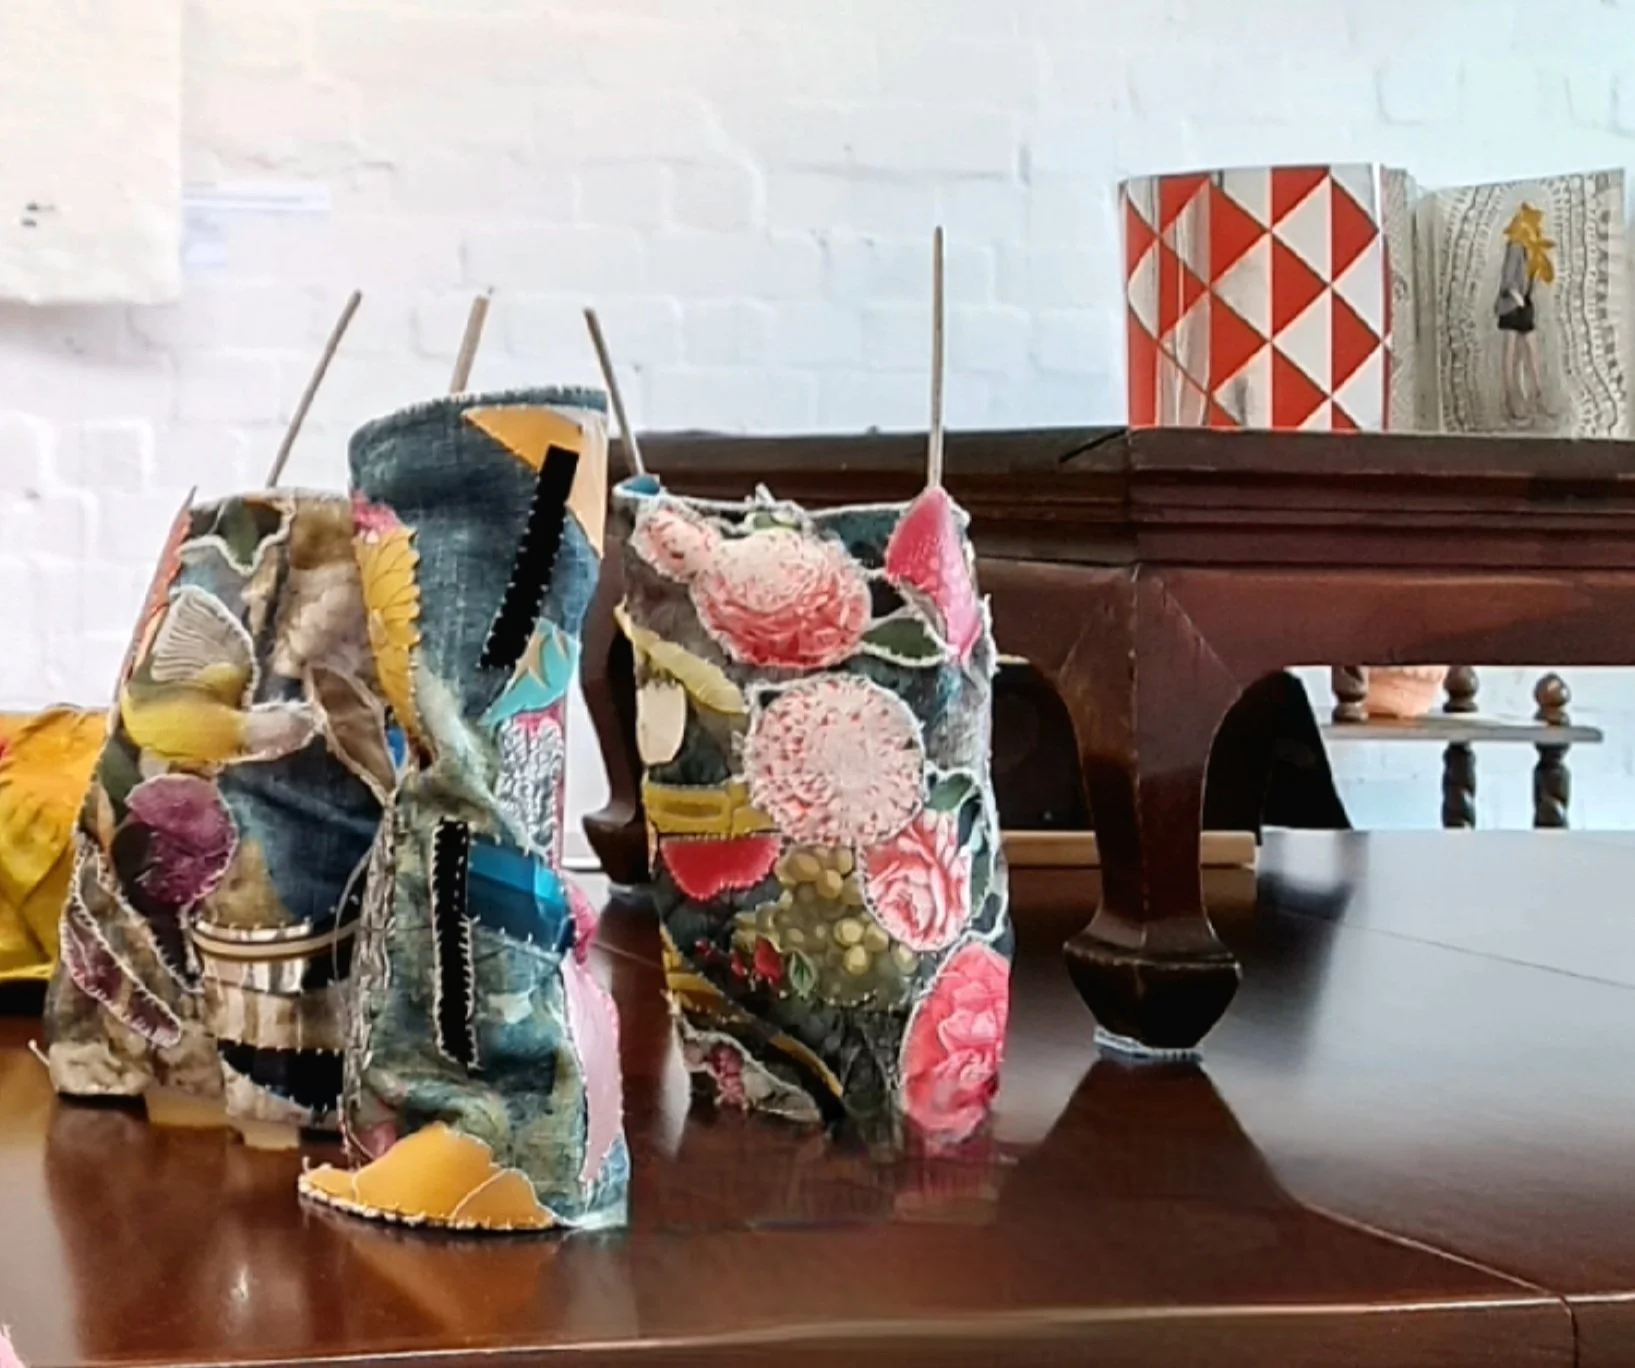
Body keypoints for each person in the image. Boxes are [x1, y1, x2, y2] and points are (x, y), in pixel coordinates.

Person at [1495, 202, 1556, 423]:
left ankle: (1539, 395)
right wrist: (1518, 298)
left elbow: (1532, 277)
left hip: (1524, 303)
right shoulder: (1515, 246)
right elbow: (1507, 280)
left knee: (1532, 349)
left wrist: (1529, 298)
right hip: (1511, 304)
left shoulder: (1533, 248)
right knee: (1510, 351)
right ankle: (1510, 397)